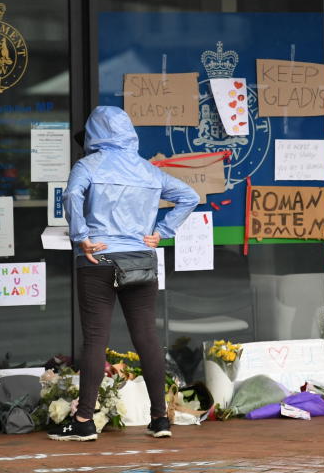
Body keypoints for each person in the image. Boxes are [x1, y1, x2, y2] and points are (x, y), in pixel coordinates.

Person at [50, 106, 198, 442]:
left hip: (97, 260)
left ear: (94, 133)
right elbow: (190, 196)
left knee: (95, 339)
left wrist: (81, 236)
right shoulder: (149, 171)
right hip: (141, 260)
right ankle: (160, 419)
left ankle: (85, 420)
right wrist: (163, 230)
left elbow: (72, 195)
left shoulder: (87, 165)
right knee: (147, 337)